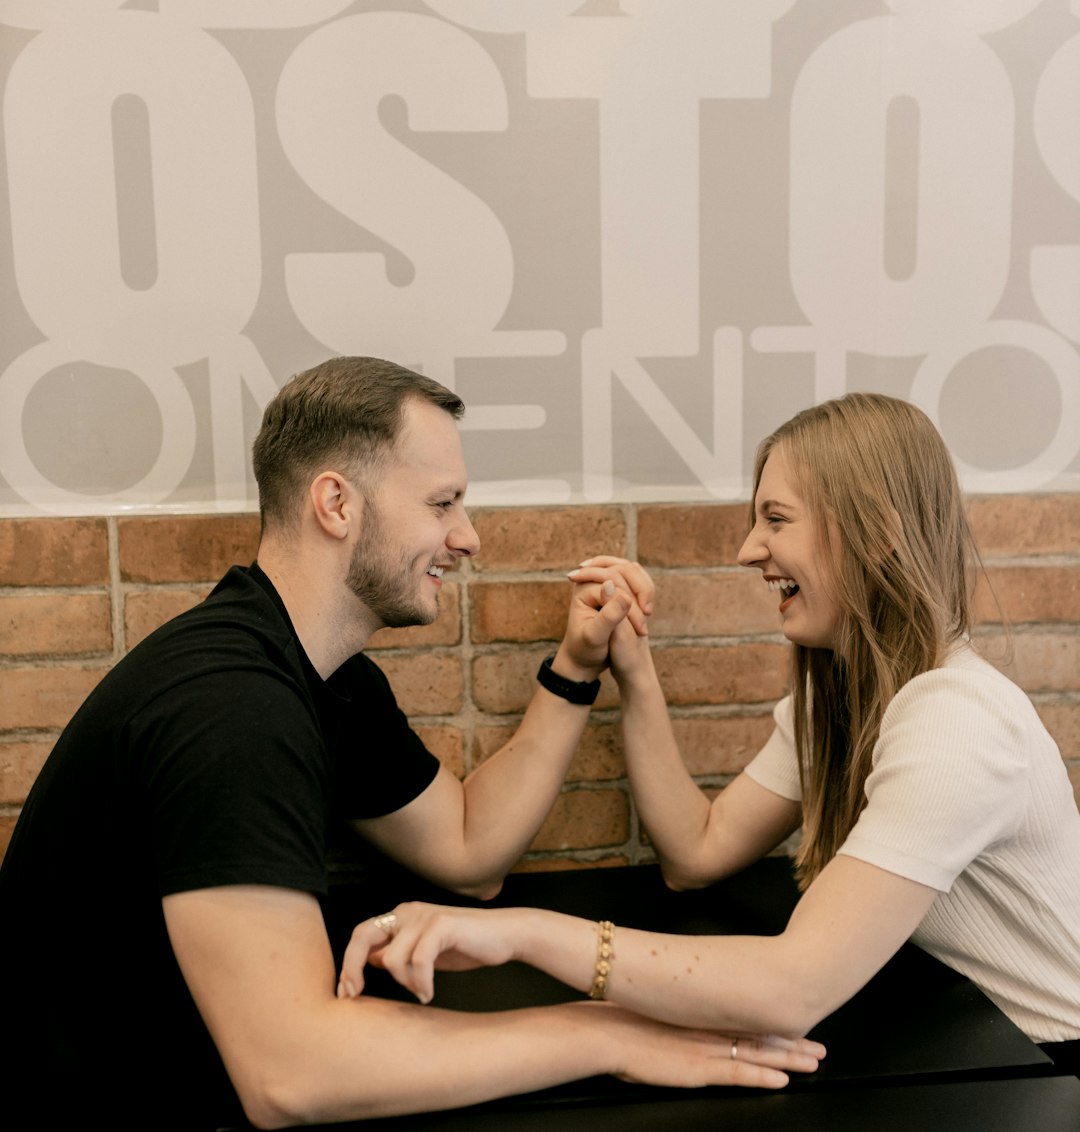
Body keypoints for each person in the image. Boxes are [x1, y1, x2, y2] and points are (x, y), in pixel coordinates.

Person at [0, 357, 822, 1132]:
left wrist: (576, 667)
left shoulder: (315, 678)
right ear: (335, 503)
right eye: (443, 503)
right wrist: (609, 1034)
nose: (468, 536)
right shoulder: (233, 712)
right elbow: (290, 1072)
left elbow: (470, 852)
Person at [339, 393, 1080, 1071]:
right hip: (963, 1041)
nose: (748, 549)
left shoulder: (956, 723)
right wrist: (632, 667)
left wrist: (522, 934)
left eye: (777, 520)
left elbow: (791, 987)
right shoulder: (849, 696)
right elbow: (696, 851)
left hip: (1047, 1069)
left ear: (878, 533)